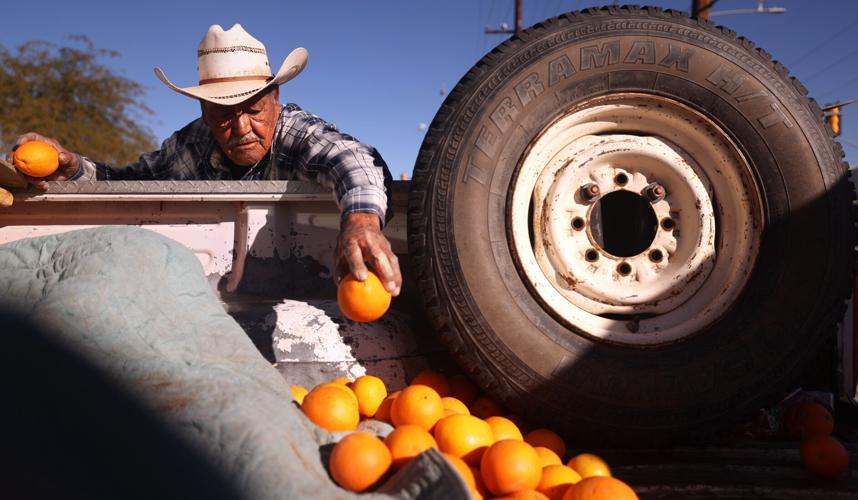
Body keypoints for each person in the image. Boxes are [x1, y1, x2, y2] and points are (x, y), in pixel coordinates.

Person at [7, 24, 401, 296]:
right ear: (204, 114)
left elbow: (350, 159)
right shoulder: (191, 145)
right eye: (224, 114)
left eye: (254, 109)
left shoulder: (294, 130)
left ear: (275, 101)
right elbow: (130, 183)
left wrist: (361, 222)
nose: (241, 127)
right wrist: (73, 168)